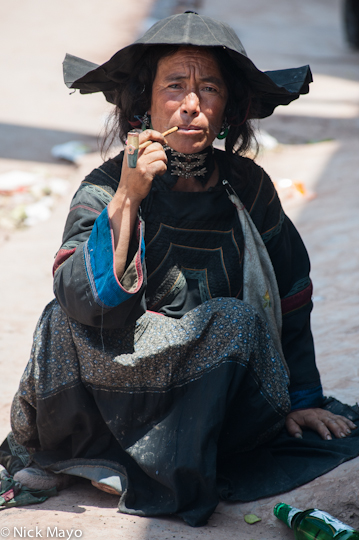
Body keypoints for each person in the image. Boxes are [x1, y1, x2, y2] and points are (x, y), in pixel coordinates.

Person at [4, 11, 359, 527]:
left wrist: (302, 398)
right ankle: (80, 456)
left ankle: (152, 463)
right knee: (56, 320)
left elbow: (291, 293)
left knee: (233, 323)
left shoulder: (249, 188)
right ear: (143, 105)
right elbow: (81, 298)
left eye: (208, 89)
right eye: (175, 86)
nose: (191, 105)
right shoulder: (104, 185)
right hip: (115, 396)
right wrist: (129, 196)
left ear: (229, 110)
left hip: (213, 402)